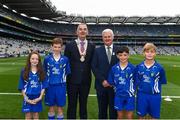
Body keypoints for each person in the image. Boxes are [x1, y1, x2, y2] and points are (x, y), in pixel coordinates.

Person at [64, 23, 95, 119]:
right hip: (72, 80)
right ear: (77, 32)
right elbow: (66, 63)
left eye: (84, 29)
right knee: (71, 105)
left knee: (83, 105)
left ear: (87, 31)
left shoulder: (92, 46)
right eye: (80, 29)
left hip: (86, 81)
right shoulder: (69, 45)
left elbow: (93, 64)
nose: (82, 31)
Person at [135, 43, 167, 119]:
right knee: (141, 116)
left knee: (153, 116)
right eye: (147, 51)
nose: (149, 54)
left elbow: (162, 81)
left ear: (155, 53)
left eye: (152, 52)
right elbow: (137, 81)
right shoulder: (139, 67)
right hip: (142, 95)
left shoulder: (160, 68)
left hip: (155, 96)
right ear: (143, 53)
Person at [91, 28, 118, 119]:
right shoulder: (97, 50)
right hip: (101, 86)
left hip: (114, 86)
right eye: (105, 37)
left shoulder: (119, 50)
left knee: (114, 111)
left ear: (113, 37)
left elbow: (122, 67)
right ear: (102, 38)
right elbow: (94, 67)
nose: (107, 38)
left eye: (109, 36)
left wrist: (113, 81)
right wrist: (102, 80)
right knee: (102, 111)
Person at [44, 38, 71, 119]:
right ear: (52, 47)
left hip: (61, 86)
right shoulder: (47, 59)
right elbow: (44, 72)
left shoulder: (65, 59)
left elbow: (67, 72)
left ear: (61, 48)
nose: (57, 49)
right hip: (50, 86)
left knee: (60, 108)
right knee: (51, 107)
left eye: (59, 47)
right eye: (55, 47)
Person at [108, 46, 136, 119]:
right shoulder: (114, 68)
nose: (123, 57)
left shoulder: (133, 68)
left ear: (128, 55)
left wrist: (132, 90)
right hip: (118, 96)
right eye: (120, 55)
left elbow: (137, 81)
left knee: (129, 116)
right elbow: (111, 81)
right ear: (117, 56)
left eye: (125, 55)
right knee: (120, 116)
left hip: (130, 96)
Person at [18, 51, 47, 119]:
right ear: (29, 60)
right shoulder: (24, 71)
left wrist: (40, 97)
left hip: (37, 97)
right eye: (33, 58)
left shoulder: (42, 71)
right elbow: (21, 86)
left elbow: (44, 85)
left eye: (37, 59)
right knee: (28, 115)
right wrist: (26, 98)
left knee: (36, 114)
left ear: (39, 60)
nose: (35, 60)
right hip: (27, 97)